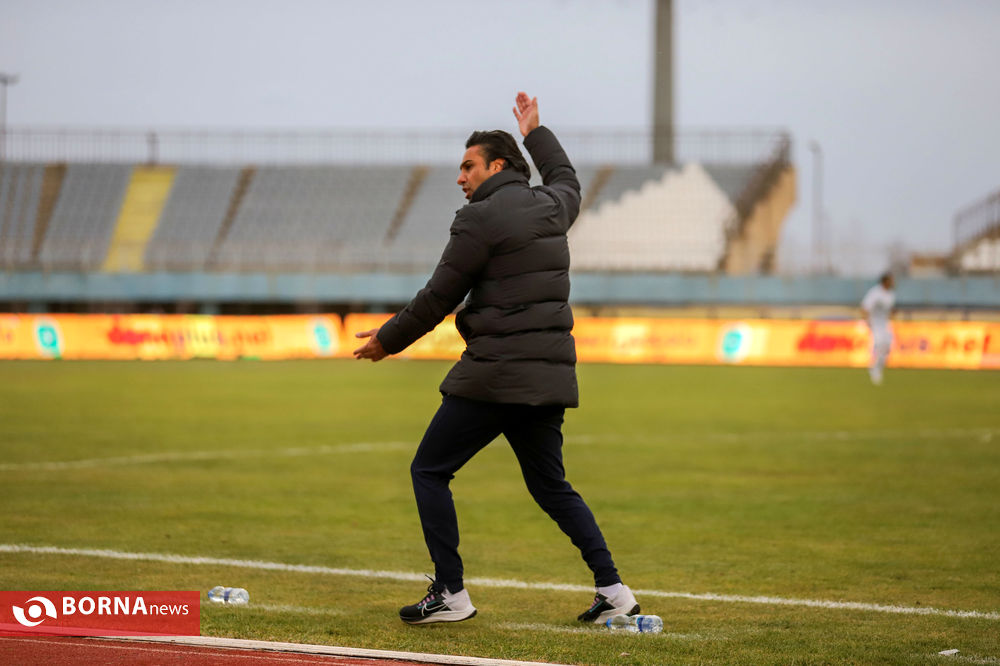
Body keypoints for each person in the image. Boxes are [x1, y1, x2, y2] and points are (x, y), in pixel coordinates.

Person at [353, 92, 639, 626]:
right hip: (547, 377)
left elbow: (438, 296)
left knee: (428, 470)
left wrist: (388, 340)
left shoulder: (479, 220)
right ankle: (614, 592)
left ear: (497, 167)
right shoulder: (553, 206)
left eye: (469, 166)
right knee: (552, 487)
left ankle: (450, 593)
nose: (460, 177)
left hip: (495, 374)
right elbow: (567, 177)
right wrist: (536, 132)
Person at [860, 272, 896, 385]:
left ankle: (877, 367)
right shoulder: (875, 292)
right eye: (891, 280)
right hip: (875, 323)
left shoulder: (891, 294)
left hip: (885, 324)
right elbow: (865, 307)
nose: (893, 282)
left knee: (888, 346)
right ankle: (874, 368)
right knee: (879, 344)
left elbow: (889, 310)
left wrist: (893, 313)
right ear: (885, 281)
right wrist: (866, 320)